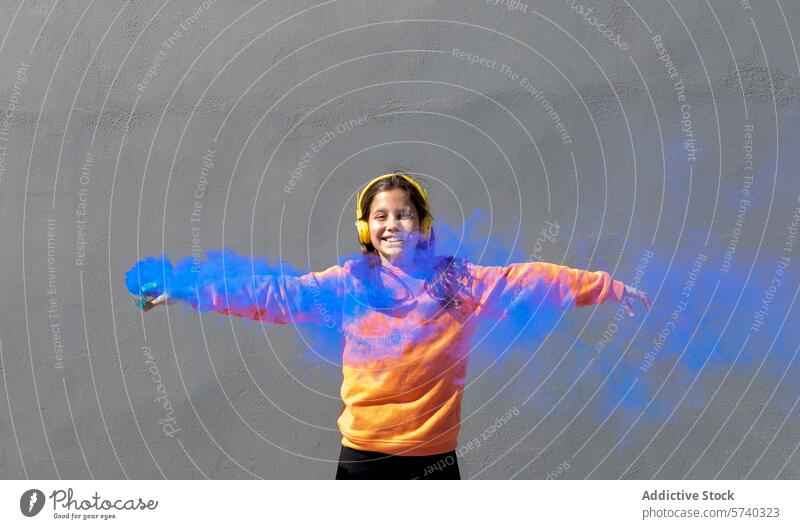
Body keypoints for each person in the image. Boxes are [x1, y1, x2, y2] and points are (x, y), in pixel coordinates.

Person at [130, 172, 651, 479]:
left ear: (423, 225)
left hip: (434, 461)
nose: (391, 224)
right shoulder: (347, 284)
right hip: (362, 459)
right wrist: (185, 289)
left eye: (403, 214)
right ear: (366, 228)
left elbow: (532, 281)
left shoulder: (461, 282)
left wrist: (608, 287)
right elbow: (274, 294)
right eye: (380, 216)